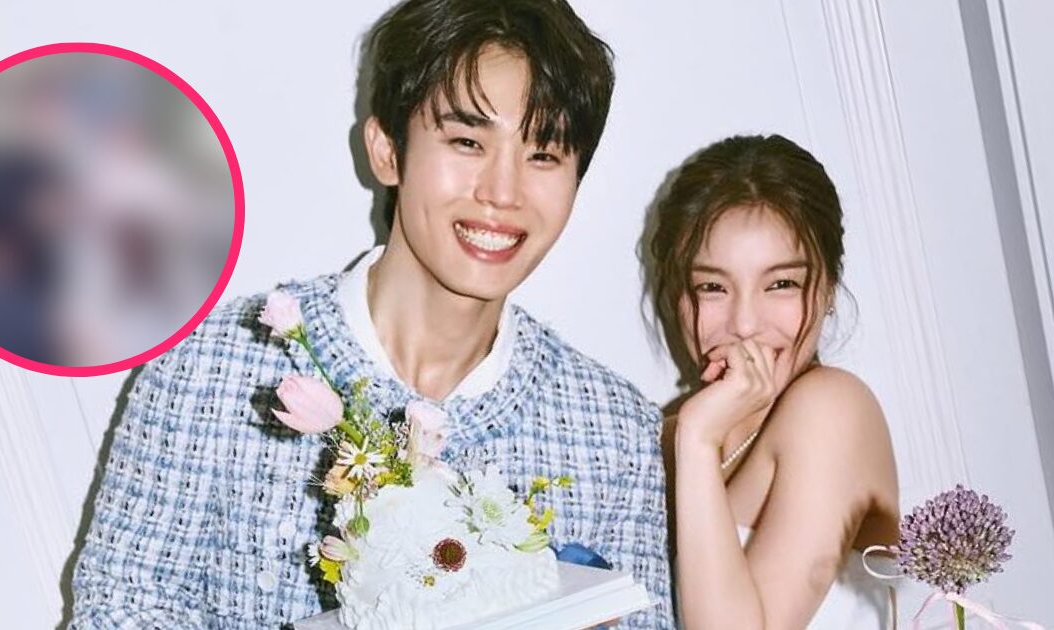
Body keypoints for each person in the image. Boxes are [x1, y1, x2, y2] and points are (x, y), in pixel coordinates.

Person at [70, 0, 673, 627]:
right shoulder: (215, 368)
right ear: (387, 150)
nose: (502, 191)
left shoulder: (615, 433)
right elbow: (119, 610)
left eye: (543, 154)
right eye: (467, 142)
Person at [640, 134, 900, 629]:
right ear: (679, 298)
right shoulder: (668, 437)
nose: (743, 324)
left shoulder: (832, 409)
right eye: (712, 287)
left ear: (828, 289)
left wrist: (698, 439)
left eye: (781, 284)